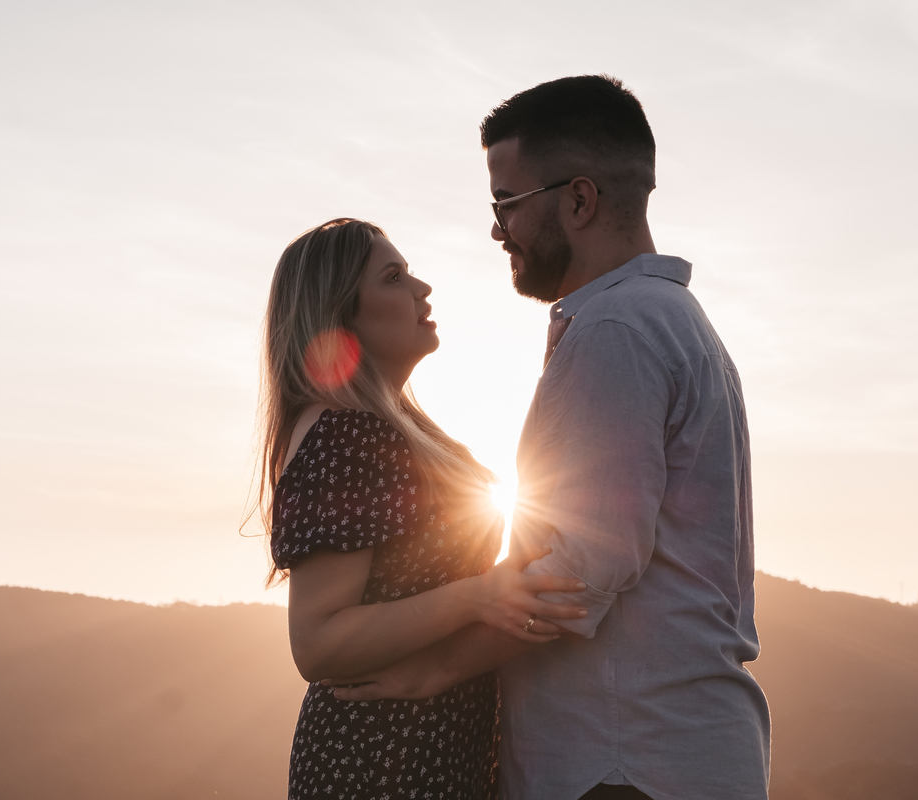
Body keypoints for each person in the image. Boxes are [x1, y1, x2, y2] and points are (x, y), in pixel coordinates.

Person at [328, 76, 772, 800]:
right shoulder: (667, 321)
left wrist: (435, 670)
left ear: (579, 200)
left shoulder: (617, 330)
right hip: (660, 753)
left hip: (621, 762)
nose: (497, 229)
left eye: (506, 202)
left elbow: (582, 566)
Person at [254, 218, 589, 800]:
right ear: (340, 319)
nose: (421, 288)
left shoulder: (392, 429)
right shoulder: (345, 435)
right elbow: (317, 641)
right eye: (393, 278)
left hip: (423, 748)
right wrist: (476, 597)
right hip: (377, 761)